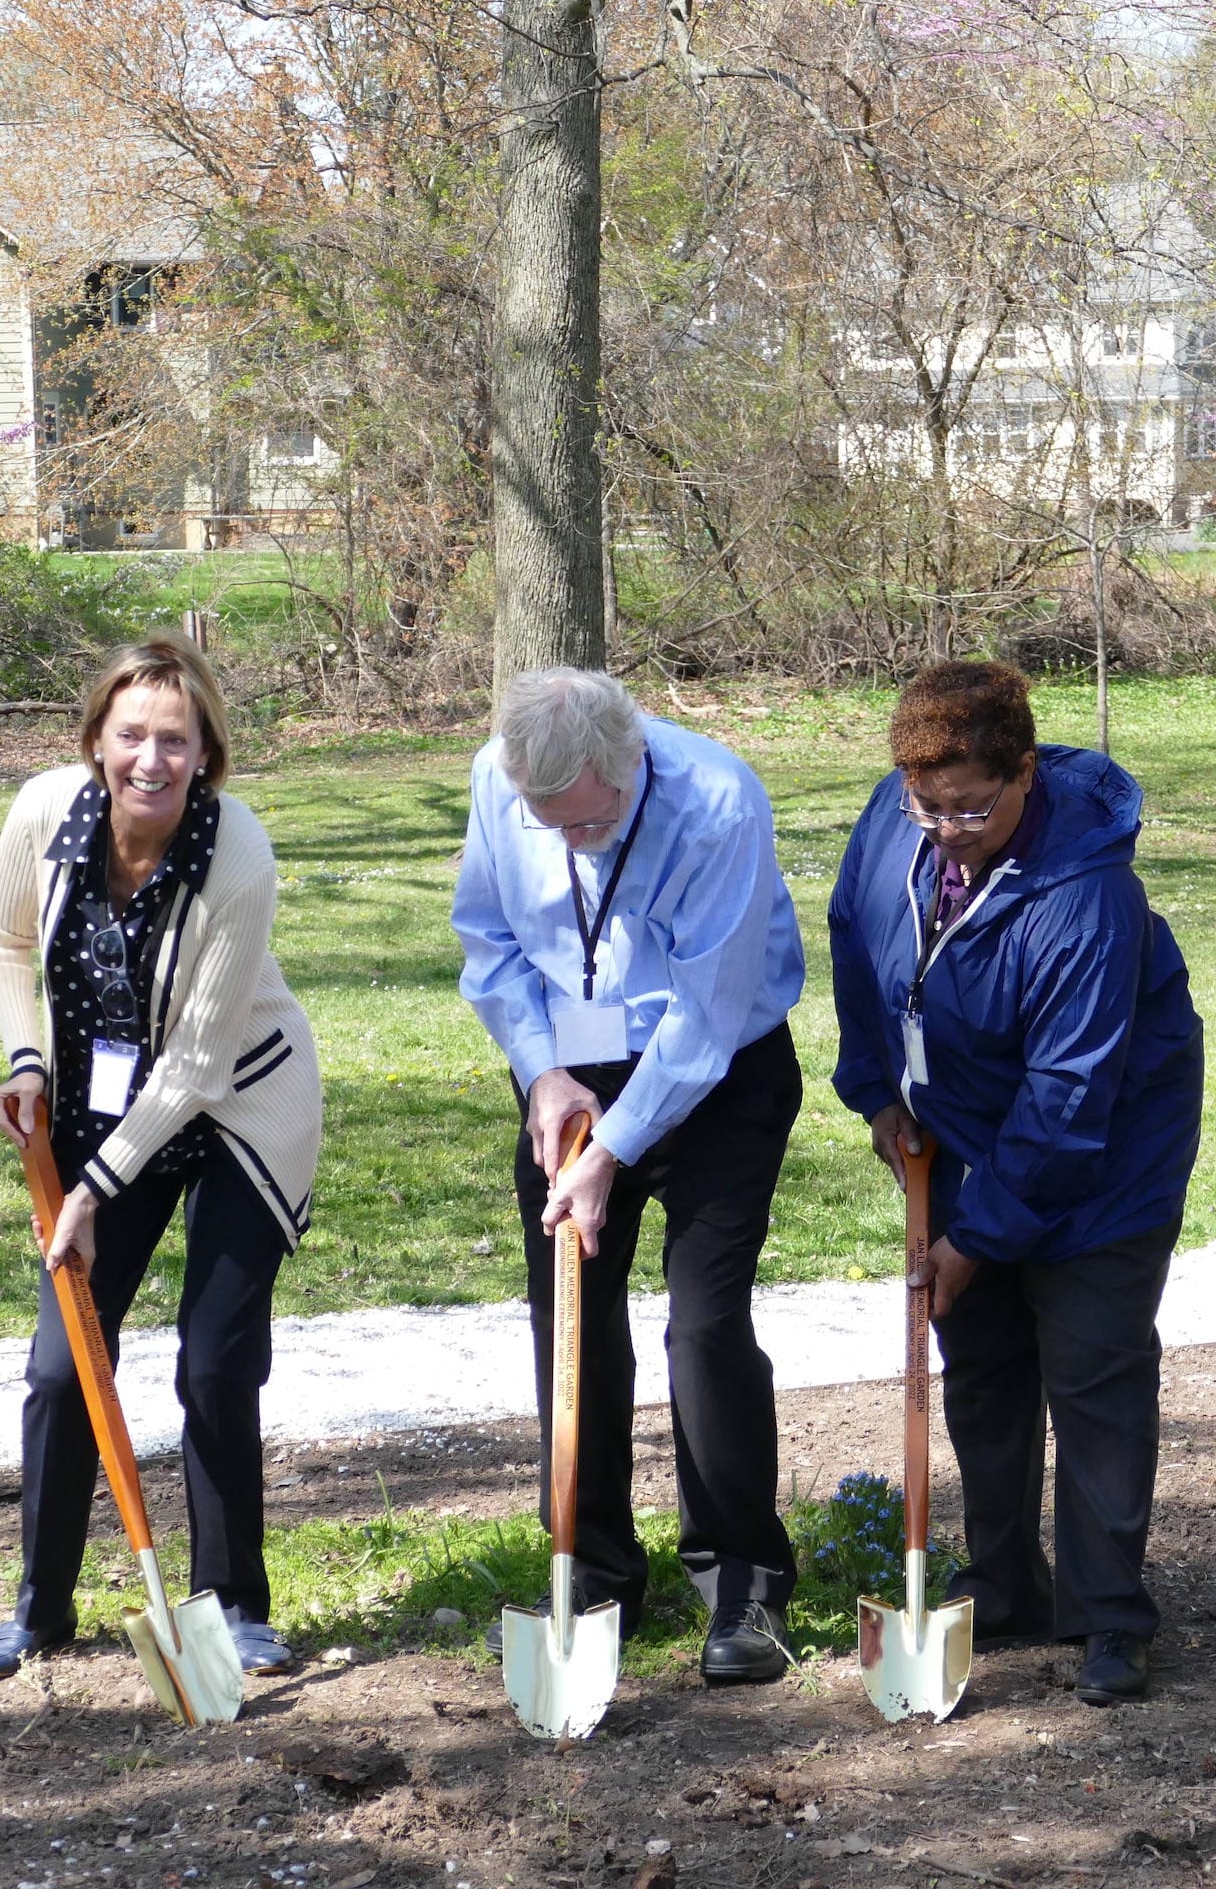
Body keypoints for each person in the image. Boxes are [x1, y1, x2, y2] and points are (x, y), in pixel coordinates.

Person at [827, 661, 1204, 1706]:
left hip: (1106, 1160)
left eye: (972, 806)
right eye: (926, 804)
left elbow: (1070, 1095)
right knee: (983, 1369)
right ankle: (1002, 1587)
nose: (944, 827)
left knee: (1091, 1373)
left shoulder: (1086, 896)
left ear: (1026, 773)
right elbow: (857, 946)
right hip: (957, 1133)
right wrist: (877, 1095)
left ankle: (1109, 1614)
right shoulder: (896, 816)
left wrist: (977, 1238)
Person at [0, 632, 322, 1680]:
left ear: (206, 749)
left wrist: (90, 1191)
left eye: (176, 739)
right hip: (102, 1105)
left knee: (214, 1360)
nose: (151, 761)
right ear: (96, 741)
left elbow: (200, 1065)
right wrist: (27, 1060)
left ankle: (234, 1608)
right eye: (131, 736)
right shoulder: (43, 814)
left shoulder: (238, 852)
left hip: (241, 1106)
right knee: (60, 1364)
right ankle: (40, 1606)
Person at [452, 667, 807, 1683]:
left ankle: (742, 1584)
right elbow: (488, 940)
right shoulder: (498, 778)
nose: (564, 840)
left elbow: (705, 1017)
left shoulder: (717, 802)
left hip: (720, 1069)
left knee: (704, 1323)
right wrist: (542, 1073)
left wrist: (614, 1151)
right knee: (569, 1319)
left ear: (628, 762)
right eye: (543, 821)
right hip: (569, 1068)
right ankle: (594, 1571)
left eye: (583, 822)